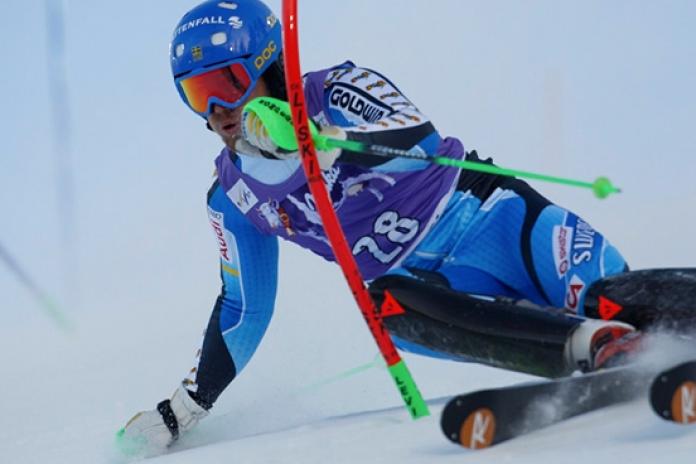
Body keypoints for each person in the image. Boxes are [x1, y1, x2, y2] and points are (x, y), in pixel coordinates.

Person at [119, 0, 641, 452]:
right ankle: (587, 344)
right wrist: (182, 410)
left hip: (492, 217)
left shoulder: (335, 90)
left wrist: (329, 141)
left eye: (227, 84)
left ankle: (626, 324)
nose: (217, 111)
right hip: (427, 291)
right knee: (385, 309)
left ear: (268, 64)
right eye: (196, 95)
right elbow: (243, 307)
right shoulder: (232, 196)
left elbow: (419, 138)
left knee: (610, 294)